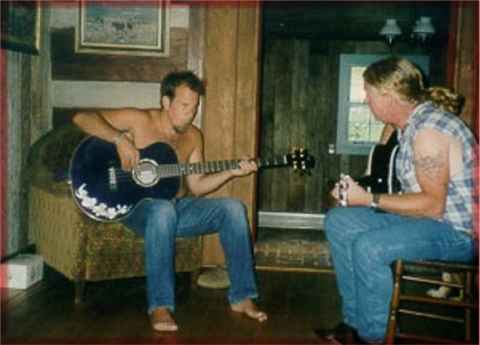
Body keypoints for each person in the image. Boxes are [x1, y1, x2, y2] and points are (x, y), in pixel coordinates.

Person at [72, 70, 267, 332]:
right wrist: (119, 140)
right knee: (163, 210)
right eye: (184, 105)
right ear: (166, 102)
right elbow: (81, 118)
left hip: (177, 207)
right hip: (136, 208)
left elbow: (197, 186)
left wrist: (231, 171)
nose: (191, 113)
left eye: (195, 106)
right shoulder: (139, 120)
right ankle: (160, 306)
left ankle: (242, 297)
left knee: (233, 208)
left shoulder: (194, 136)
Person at [318, 57, 476, 344]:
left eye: (368, 93)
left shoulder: (429, 131)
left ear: (388, 96)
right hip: (429, 220)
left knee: (370, 247)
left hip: (458, 233)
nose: (366, 100)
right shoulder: (409, 127)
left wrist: (367, 199)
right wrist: (357, 196)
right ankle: (353, 326)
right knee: (339, 221)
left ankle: (373, 338)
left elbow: (432, 205)